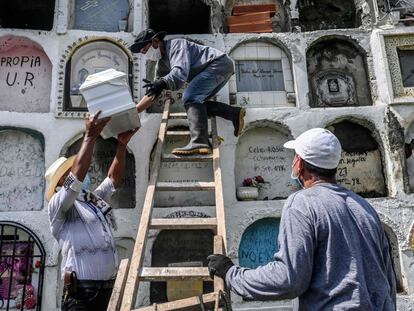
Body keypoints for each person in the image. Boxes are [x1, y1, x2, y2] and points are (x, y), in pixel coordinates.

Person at [207, 128, 397, 310]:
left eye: (294, 157)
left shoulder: (303, 203)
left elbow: (289, 278)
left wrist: (232, 274)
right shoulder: (364, 207)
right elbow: (387, 279)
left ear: (300, 162)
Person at [45, 111, 138, 311]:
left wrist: (121, 146)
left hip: (107, 292)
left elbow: (113, 180)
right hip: (82, 297)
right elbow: (74, 182)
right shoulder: (58, 206)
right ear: (62, 181)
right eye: (72, 171)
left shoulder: (92, 201)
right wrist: (90, 136)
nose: (83, 172)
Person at [130, 28, 245, 155]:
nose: (146, 54)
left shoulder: (177, 46)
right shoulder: (162, 64)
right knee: (196, 106)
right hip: (219, 68)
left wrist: (162, 83)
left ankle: (199, 143)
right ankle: (233, 113)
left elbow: (180, 73)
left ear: (155, 41)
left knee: (190, 97)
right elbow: (153, 92)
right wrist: (134, 111)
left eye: (146, 50)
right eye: (143, 53)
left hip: (218, 64)